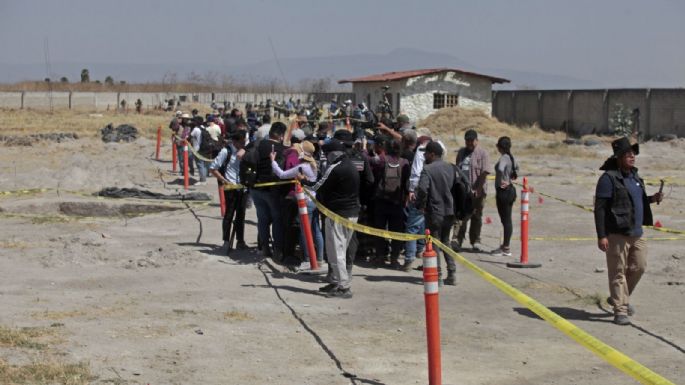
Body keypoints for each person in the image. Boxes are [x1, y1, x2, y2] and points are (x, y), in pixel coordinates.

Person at [594, 137, 663, 325]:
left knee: (639, 268)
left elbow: (636, 201)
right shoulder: (608, 179)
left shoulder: (635, 176)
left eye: (633, 153)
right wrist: (602, 235)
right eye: (627, 154)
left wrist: (652, 198)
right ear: (618, 157)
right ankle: (620, 309)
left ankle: (619, 297)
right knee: (617, 272)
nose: (632, 156)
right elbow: (599, 209)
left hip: (637, 233)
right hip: (617, 233)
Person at [313, 139, 360, 298]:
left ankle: (343, 287)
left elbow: (317, 186)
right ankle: (336, 281)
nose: (325, 157)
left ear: (332, 153)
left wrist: (302, 180)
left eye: (326, 154)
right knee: (340, 249)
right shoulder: (351, 165)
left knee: (336, 250)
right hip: (351, 214)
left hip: (337, 215)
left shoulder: (335, 168)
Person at [270, 140, 324, 269]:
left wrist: (273, 161)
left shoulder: (303, 167)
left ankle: (308, 259)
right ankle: (320, 258)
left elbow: (282, 174)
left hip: (305, 202)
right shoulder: (314, 164)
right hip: (314, 201)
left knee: (305, 232)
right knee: (316, 230)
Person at [416, 141, 457, 285]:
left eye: (426, 153)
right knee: (446, 242)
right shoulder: (450, 167)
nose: (425, 156)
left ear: (432, 154)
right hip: (450, 211)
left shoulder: (427, 169)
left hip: (434, 212)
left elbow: (422, 189)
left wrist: (420, 205)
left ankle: (437, 275)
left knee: (433, 243)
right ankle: (452, 273)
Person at [210, 131, 248, 255]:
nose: (243, 144)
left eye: (244, 142)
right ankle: (226, 241)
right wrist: (224, 180)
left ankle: (240, 241)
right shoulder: (226, 151)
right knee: (229, 214)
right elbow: (213, 168)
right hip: (230, 187)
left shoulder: (244, 150)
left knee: (241, 215)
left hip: (242, 187)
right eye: (241, 142)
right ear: (235, 142)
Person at [453, 129, 490, 252]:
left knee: (476, 216)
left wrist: (478, 190)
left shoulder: (483, 153)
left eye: (471, 141)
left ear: (476, 141)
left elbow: (484, 173)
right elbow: (457, 168)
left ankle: (475, 241)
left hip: (477, 192)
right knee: (460, 215)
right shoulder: (462, 152)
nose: (469, 143)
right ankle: (457, 240)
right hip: (463, 191)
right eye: (467, 140)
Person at [492, 136, 518, 257]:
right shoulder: (511, 158)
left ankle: (506, 248)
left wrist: (503, 180)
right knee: (506, 220)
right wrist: (509, 180)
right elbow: (517, 170)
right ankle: (504, 246)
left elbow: (501, 169)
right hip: (510, 190)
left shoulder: (504, 158)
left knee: (506, 220)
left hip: (504, 192)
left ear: (500, 147)